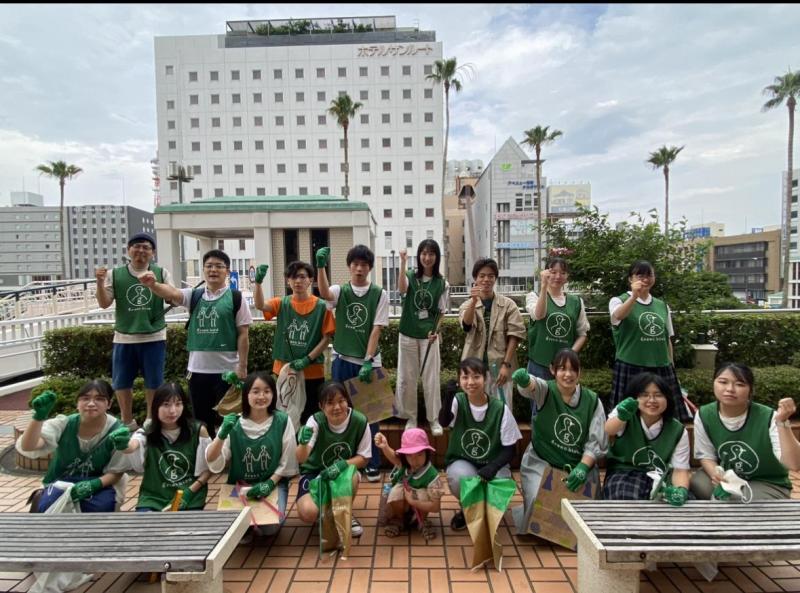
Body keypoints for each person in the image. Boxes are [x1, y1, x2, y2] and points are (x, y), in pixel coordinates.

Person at [141, 249, 252, 437]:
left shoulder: (236, 298)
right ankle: (206, 456)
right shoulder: (194, 295)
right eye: (209, 266)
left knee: (229, 419)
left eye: (218, 266)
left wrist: (242, 366)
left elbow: (243, 334)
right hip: (198, 370)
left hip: (227, 371)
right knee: (201, 419)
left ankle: (228, 455)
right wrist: (153, 285)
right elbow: (173, 293)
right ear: (203, 270)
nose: (213, 270)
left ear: (227, 270)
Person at [510, 349, 607, 535]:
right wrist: (524, 380)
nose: (568, 374)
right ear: (552, 370)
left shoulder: (592, 401)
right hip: (542, 460)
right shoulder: (546, 390)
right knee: (538, 498)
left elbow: (597, 441)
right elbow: (533, 386)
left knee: (586, 516)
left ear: (580, 373)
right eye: (562, 368)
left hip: (579, 465)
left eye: (573, 369)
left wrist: (583, 468)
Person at [316, 244, 389, 482]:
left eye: (364, 265)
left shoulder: (379, 293)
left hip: (369, 361)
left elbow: (376, 329)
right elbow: (325, 294)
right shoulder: (341, 290)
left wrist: (368, 360)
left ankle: (373, 462)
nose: (359, 269)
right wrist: (320, 267)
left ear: (369, 268)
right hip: (342, 359)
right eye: (355, 264)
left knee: (372, 415)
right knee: (339, 411)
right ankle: (344, 458)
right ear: (349, 267)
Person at [95, 232, 174, 430]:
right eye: (136, 246)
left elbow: (173, 299)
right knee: (121, 383)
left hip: (154, 335)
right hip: (124, 337)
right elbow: (104, 303)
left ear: (153, 253)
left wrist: (155, 284)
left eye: (146, 247)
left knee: (154, 382)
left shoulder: (161, 272)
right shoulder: (115, 274)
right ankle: (126, 421)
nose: (141, 250)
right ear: (128, 250)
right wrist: (99, 281)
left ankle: (150, 420)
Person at [16, 380, 131, 512]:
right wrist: (38, 417)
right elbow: (29, 446)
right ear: (77, 403)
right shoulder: (63, 424)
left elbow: (117, 471)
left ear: (109, 404)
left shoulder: (117, 431)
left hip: (101, 484)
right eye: (85, 398)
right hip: (61, 482)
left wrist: (94, 484)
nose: (91, 404)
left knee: (99, 508)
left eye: (99, 399)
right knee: (49, 506)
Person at [690, 363, 800, 500]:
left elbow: (794, 464)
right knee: (696, 483)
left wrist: (783, 421)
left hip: (767, 483)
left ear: (751, 390)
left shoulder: (769, 417)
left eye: (740, 384)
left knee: (732, 499)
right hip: (731, 477)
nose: (729, 389)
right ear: (714, 383)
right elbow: (705, 455)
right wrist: (718, 476)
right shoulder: (704, 414)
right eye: (723, 382)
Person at [206, 372, 298, 536]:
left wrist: (269, 483)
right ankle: (245, 527)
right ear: (246, 394)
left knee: (271, 527)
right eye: (255, 391)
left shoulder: (283, 421)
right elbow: (213, 460)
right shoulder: (233, 423)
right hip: (240, 486)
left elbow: (287, 461)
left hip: (272, 485)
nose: (261, 396)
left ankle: (250, 526)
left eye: (267, 391)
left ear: (273, 394)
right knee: (233, 528)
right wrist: (220, 435)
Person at [439, 357, 522, 531]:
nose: (471, 382)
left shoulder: (500, 409)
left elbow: (510, 449)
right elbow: (444, 422)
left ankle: (486, 510)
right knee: (457, 478)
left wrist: (492, 467)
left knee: (500, 483)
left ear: (485, 378)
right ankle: (467, 509)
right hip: (464, 462)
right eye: (465, 377)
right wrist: (447, 398)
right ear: (459, 379)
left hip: (493, 465)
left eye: (476, 377)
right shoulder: (458, 401)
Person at [253, 260, 335, 424]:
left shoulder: (322, 307)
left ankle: (307, 448)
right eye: (292, 277)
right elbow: (260, 305)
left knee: (311, 417)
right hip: (283, 370)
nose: (297, 281)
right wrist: (258, 283)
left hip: (312, 371)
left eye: (302, 277)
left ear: (310, 280)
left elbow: (327, 338)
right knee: (282, 415)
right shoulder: (281, 303)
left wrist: (308, 359)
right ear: (287, 281)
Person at [609, 260, 691, 422]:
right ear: (630, 279)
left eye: (649, 275)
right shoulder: (618, 300)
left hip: (661, 366)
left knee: (666, 414)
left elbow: (667, 338)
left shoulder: (662, 306)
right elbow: (618, 316)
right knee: (627, 416)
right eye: (640, 275)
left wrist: (672, 366)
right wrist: (634, 296)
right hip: (630, 364)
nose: (645, 279)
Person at [295, 381, 371, 538]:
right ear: (321, 406)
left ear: (347, 401)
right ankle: (327, 515)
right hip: (315, 473)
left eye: (341, 401)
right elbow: (301, 459)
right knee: (307, 513)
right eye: (330, 403)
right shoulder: (315, 421)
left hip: (342, 472)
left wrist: (342, 465)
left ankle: (344, 514)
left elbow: (364, 458)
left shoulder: (360, 421)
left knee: (351, 475)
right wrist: (302, 443)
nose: (337, 407)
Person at [121, 382, 212, 511]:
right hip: (154, 498)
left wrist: (188, 493)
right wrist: (122, 443)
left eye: (178, 403)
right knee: (145, 529)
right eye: (166, 404)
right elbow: (132, 445)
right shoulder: (148, 430)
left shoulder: (198, 430)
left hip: (190, 496)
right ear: (155, 406)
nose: (172, 410)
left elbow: (209, 468)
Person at [603, 373, 690, 505]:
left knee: (682, 505)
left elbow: (680, 470)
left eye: (658, 395)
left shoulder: (677, 430)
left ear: (668, 398)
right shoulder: (625, 413)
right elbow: (609, 429)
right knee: (625, 498)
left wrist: (681, 490)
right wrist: (621, 417)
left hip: (661, 478)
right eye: (644, 395)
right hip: (625, 473)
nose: (651, 400)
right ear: (634, 398)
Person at [395, 240, 450, 435]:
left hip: (429, 338)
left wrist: (435, 330)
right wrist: (402, 262)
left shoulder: (442, 283)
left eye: (431, 254)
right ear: (419, 256)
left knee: (431, 378)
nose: (427, 258)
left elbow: (441, 311)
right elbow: (401, 289)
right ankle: (411, 418)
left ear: (437, 257)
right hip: (408, 334)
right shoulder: (410, 276)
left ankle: (433, 419)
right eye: (424, 253)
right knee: (407, 378)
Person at [458, 258, 526, 405]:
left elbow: (515, 335)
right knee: (475, 411)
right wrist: (473, 301)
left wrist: (506, 365)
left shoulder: (508, 305)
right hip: (474, 367)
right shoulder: (466, 305)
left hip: (500, 367)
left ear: (495, 278)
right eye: (482, 276)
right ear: (475, 278)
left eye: (490, 276)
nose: (486, 280)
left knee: (502, 409)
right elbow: (466, 325)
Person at [525, 256, 589, 381]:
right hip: (539, 364)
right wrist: (543, 287)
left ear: (567, 277)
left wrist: (568, 355)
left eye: (562, 273)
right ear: (545, 273)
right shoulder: (534, 296)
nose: (558, 276)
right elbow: (539, 315)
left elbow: (583, 333)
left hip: (565, 367)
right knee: (539, 399)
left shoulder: (576, 302)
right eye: (553, 272)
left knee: (564, 400)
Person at [374, 428, 444, 540]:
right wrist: (385, 446)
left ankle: (422, 520)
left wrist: (413, 501)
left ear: (427, 453)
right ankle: (399, 519)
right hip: (403, 500)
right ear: (404, 456)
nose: (414, 460)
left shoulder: (432, 476)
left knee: (422, 494)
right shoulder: (405, 465)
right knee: (395, 492)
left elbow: (435, 507)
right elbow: (394, 458)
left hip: (419, 502)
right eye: (409, 455)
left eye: (419, 455)